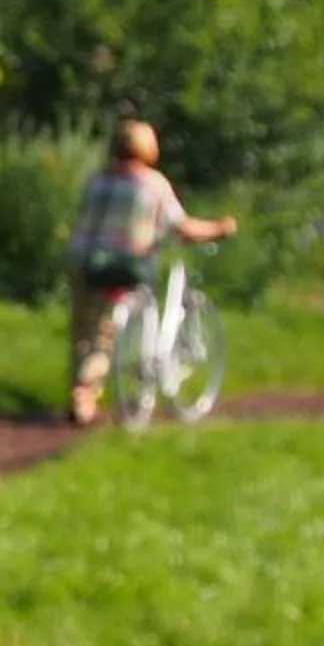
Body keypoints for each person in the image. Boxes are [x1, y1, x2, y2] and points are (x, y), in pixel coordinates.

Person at [65, 119, 236, 426]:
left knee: (83, 329)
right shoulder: (151, 183)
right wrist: (219, 228)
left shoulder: (98, 179)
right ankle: (84, 392)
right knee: (106, 333)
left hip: (81, 259)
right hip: (123, 264)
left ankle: (81, 389)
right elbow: (181, 227)